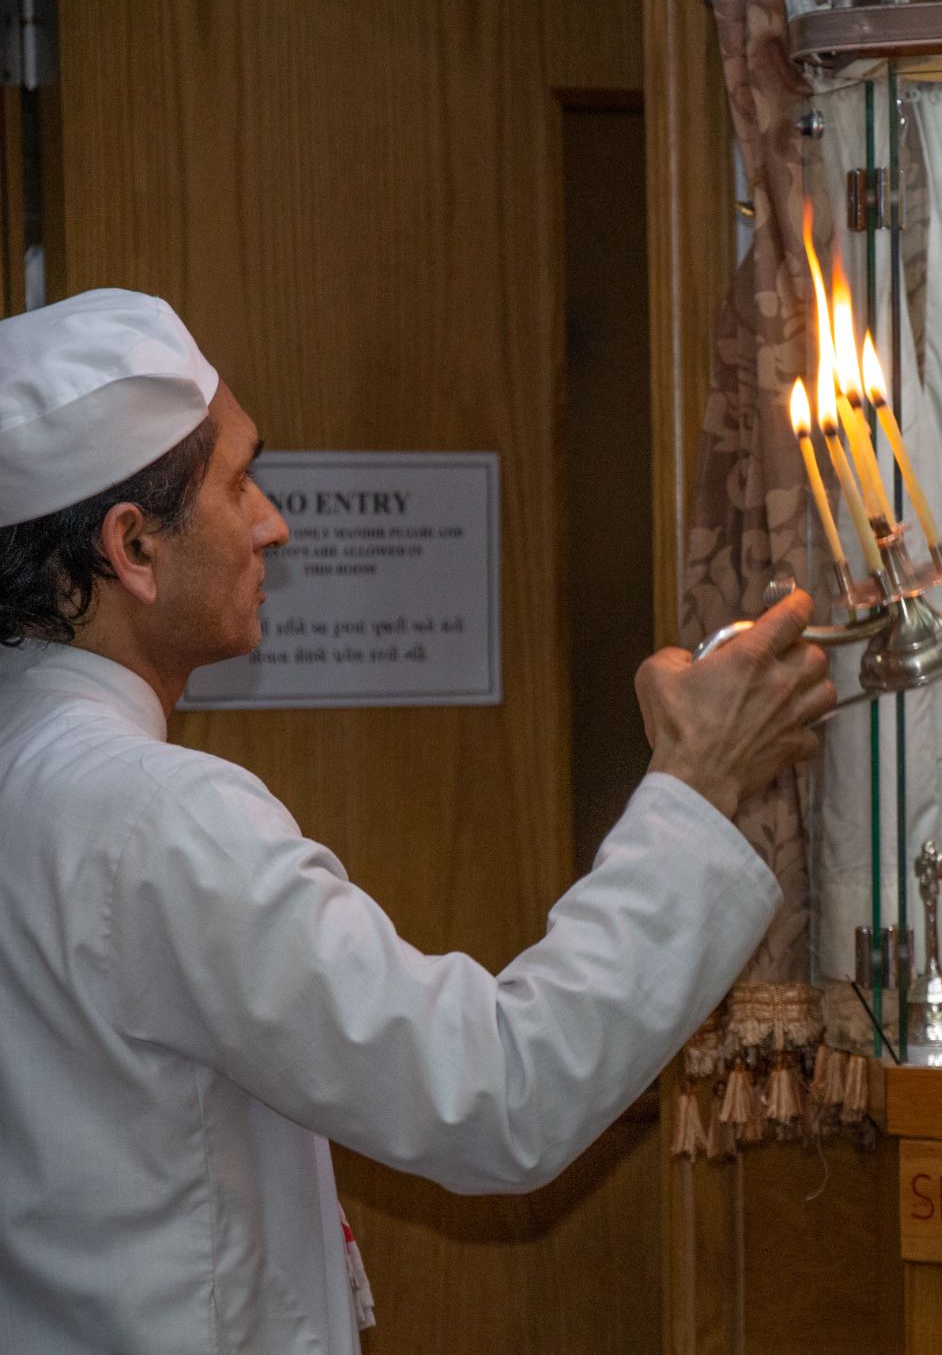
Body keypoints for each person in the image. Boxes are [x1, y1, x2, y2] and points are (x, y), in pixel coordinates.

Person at [0, 289, 833, 1353]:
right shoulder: (155, 816)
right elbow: (498, 1096)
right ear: (133, 548)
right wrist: (696, 779)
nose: (274, 523)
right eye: (238, 481)